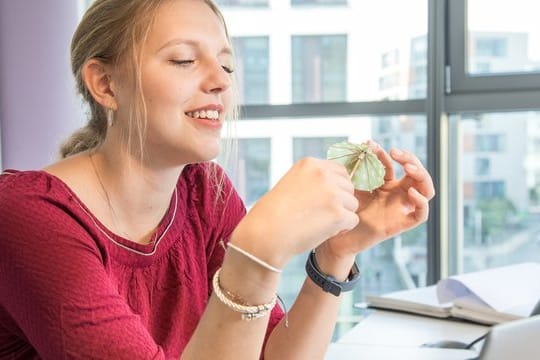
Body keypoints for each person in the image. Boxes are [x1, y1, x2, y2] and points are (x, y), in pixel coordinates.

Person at [0, 0, 435, 358]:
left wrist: (338, 251)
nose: (220, 83)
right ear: (106, 84)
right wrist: (256, 252)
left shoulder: (206, 193)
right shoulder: (24, 217)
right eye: (185, 60)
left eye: (227, 66)